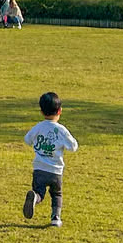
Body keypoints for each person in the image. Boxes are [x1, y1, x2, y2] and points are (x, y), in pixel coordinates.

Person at [22, 90, 78, 227]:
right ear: (60, 111)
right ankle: (55, 218)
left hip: (39, 169)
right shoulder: (61, 130)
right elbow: (73, 146)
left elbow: (27, 139)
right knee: (56, 194)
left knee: (40, 192)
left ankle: (35, 198)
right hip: (55, 170)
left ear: (41, 111)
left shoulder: (38, 127)